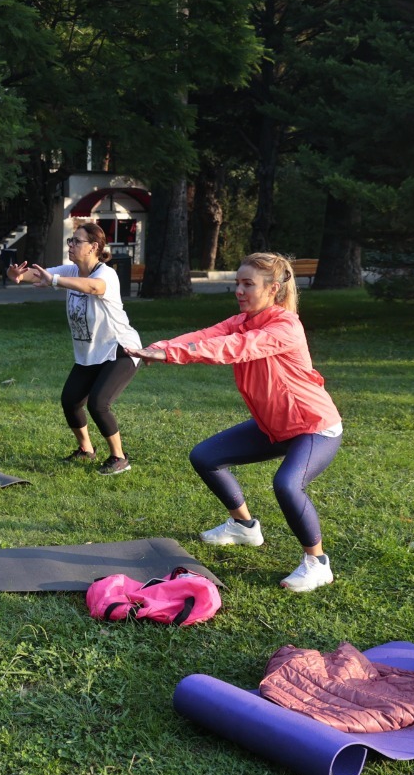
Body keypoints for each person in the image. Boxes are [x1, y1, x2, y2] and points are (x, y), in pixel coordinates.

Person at [126, 252, 343, 592]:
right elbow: (209, 334)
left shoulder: (284, 326)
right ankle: (244, 527)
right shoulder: (243, 320)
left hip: (313, 426)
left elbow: (234, 348)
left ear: (273, 289)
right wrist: (160, 347)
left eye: (248, 284)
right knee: (206, 457)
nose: (239, 291)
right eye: (237, 284)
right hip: (273, 426)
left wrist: (169, 354)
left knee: (287, 484)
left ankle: (317, 563)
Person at [8, 222, 142, 475]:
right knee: (70, 401)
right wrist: (15, 274)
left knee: (99, 403)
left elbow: (94, 288)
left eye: (76, 241)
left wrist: (56, 281)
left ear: (93, 247)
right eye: (71, 240)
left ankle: (119, 457)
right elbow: (35, 275)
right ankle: (86, 451)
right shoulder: (71, 269)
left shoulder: (106, 274)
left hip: (121, 349)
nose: (71, 245)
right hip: (91, 353)